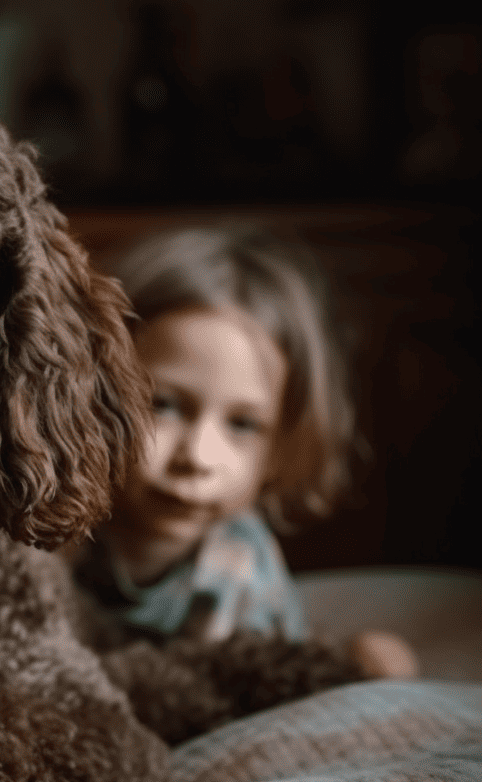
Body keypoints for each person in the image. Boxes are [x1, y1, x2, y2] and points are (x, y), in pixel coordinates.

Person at [74, 223, 416, 677]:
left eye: (243, 424)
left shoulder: (242, 571)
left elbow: (259, 682)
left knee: (378, 657)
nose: (197, 457)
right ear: (96, 395)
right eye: (164, 405)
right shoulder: (59, 528)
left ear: (281, 447)